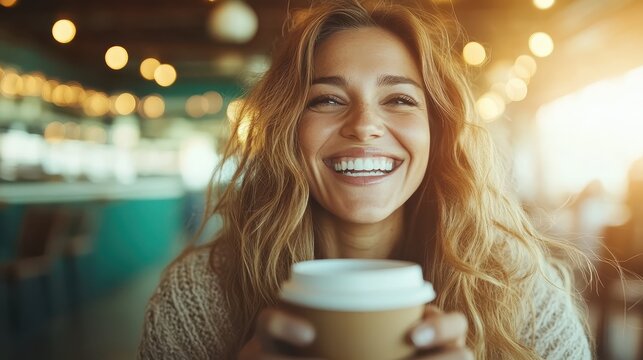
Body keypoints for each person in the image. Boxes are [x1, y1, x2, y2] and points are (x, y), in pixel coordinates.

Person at [139, 1, 592, 359]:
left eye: (398, 99)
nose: (364, 125)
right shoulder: (199, 295)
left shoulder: (522, 292)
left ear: (439, 131)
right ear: (288, 130)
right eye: (327, 99)